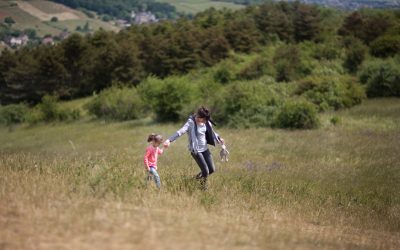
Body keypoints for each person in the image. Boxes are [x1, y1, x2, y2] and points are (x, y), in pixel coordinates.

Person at [163, 106, 225, 190]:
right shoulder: (191, 123)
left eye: (204, 120)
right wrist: (169, 140)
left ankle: (192, 181)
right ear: (198, 116)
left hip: (205, 149)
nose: (203, 121)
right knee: (205, 171)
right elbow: (180, 131)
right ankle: (203, 189)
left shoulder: (206, 121)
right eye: (202, 119)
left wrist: (219, 138)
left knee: (212, 169)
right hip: (196, 150)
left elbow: (212, 132)